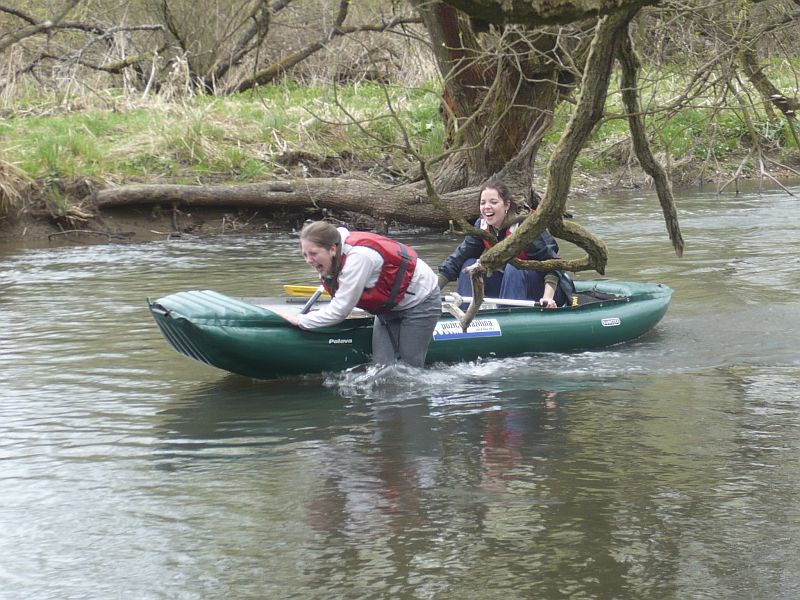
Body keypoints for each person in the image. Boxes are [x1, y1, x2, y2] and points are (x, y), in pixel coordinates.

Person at [284, 221, 441, 368]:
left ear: (332, 249)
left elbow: (340, 311)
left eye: (313, 253)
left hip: (421, 300)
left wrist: (301, 321)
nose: (309, 260)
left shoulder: (358, 258)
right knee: (381, 367)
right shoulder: (327, 261)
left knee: (409, 368)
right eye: (305, 255)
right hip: (388, 308)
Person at [437, 179, 575, 308]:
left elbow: (553, 263)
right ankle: (466, 312)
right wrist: (433, 292)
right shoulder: (481, 226)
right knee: (470, 265)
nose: (487, 207)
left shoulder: (528, 226)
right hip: (509, 283)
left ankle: (508, 316)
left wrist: (548, 297)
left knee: (513, 267)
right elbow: (457, 259)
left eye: (493, 202)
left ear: (507, 205)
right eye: (483, 203)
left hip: (544, 290)